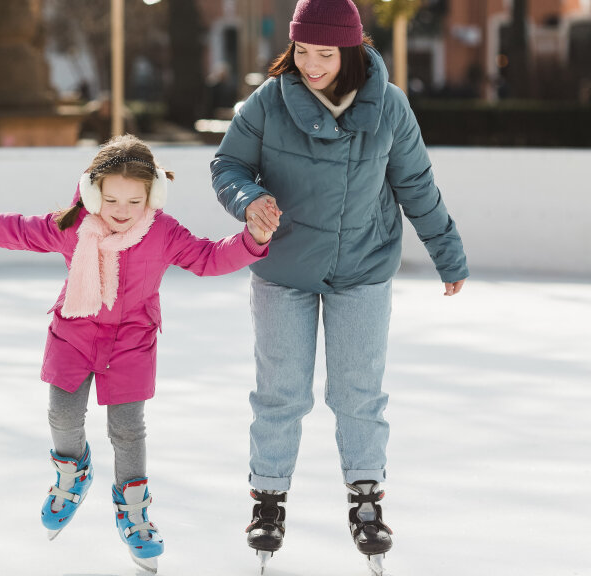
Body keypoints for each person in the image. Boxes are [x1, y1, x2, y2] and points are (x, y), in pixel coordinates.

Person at [0, 134, 279, 572]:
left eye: (134, 201)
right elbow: (13, 229)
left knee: (128, 431)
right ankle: (73, 473)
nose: (122, 212)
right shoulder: (72, 226)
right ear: (94, 193)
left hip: (132, 342)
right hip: (74, 332)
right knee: (62, 415)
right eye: (111, 200)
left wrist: (252, 239)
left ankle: (133, 507)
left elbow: (207, 258)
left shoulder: (163, 232)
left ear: (152, 196)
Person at [209, 0, 469, 573]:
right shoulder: (269, 101)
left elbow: (416, 184)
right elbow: (227, 167)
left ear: (351, 50)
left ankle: (366, 499)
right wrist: (249, 201)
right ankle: (269, 498)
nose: (311, 65)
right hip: (284, 269)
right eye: (302, 51)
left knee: (358, 392)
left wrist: (447, 252)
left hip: (363, 267)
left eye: (324, 54)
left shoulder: (390, 106)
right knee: (281, 392)